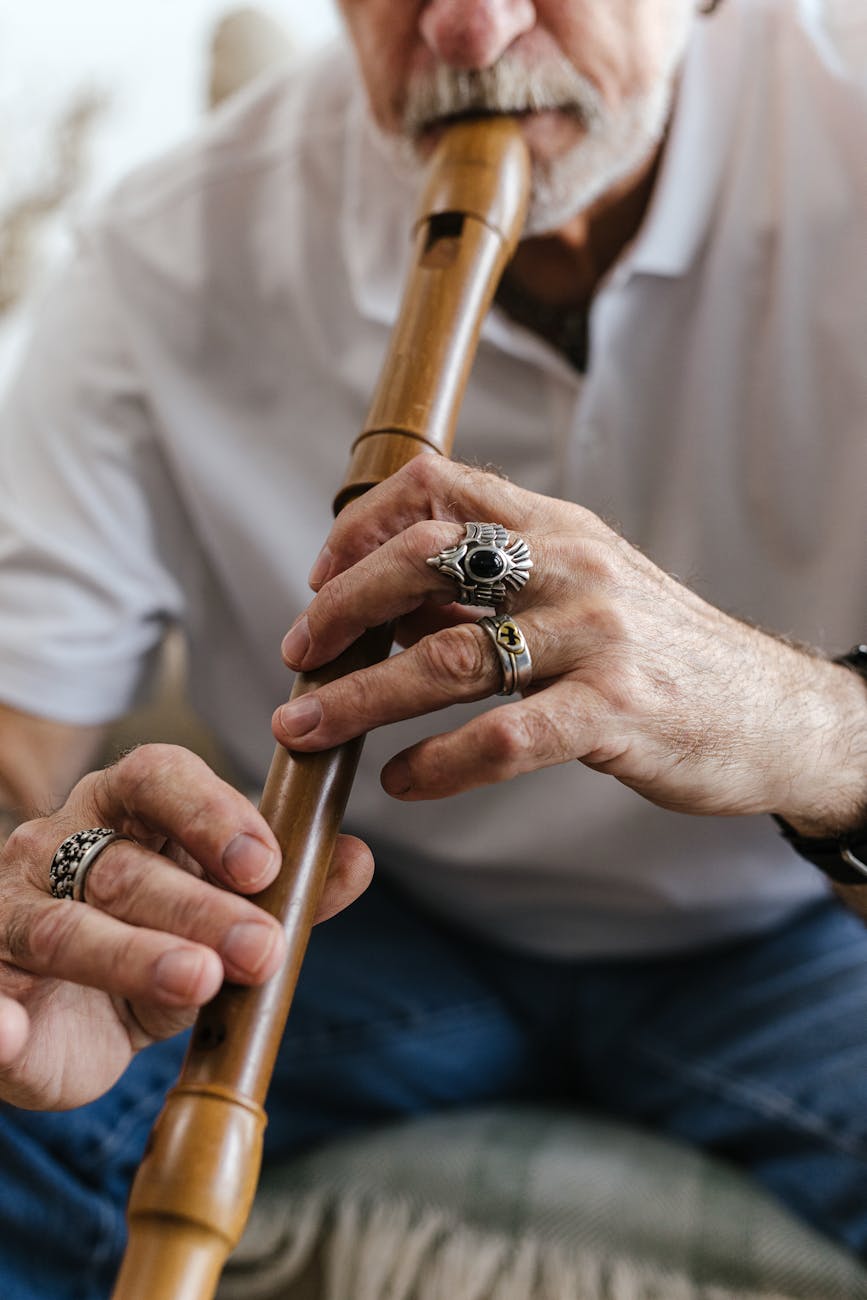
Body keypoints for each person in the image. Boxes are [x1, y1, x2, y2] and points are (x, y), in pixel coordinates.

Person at [0, 0, 866, 1294]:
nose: (468, 31)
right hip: (363, 909)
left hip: (796, 935)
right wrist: (47, 905)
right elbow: (19, 759)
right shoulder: (158, 256)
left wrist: (807, 725)